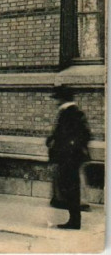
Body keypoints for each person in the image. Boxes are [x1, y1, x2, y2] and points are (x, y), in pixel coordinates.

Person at [46, 88, 90, 230]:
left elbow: (81, 135)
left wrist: (69, 149)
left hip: (69, 158)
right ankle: (73, 219)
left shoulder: (70, 113)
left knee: (71, 190)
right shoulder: (70, 112)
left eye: (57, 99)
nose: (56, 102)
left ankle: (74, 221)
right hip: (69, 157)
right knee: (69, 189)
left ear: (62, 99)